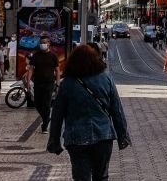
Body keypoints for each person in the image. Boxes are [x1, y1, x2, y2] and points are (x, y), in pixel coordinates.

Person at [47, 45, 130, 180]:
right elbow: (117, 110)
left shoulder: (67, 83)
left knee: (81, 178)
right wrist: (122, 135)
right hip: (103, 136)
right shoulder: (106, 78)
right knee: (101, 177)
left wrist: (54, 140)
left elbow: (57, 115)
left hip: (76, 138)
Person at [28, 35, 61, 133]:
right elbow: (31, 69)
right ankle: (46, 118)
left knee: (46, 104)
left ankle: (45, 125)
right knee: (37, 103)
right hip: (37, 82)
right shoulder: (36, 55)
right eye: (41, 42)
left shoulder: (53, 56)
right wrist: (29, 81)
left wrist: (58, 83)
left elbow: (57, 70)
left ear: (49, 43)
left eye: (45, 42)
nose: (43, 44)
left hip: (49, 83)